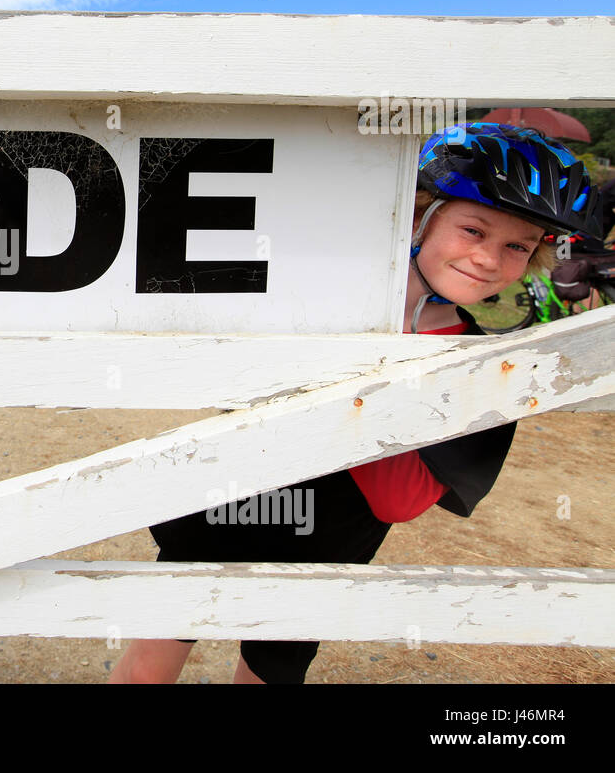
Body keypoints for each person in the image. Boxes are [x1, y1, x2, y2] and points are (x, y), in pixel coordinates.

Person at [109, 122, 603, 684]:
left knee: (268, 673)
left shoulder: (485, 369)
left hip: (324, 545)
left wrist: (373, 385)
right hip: (227, 504)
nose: (490, 258)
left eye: (516, 245)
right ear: (417, 217)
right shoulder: (321, 304)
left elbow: (399, 498)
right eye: (472, 230)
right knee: (149, 662)